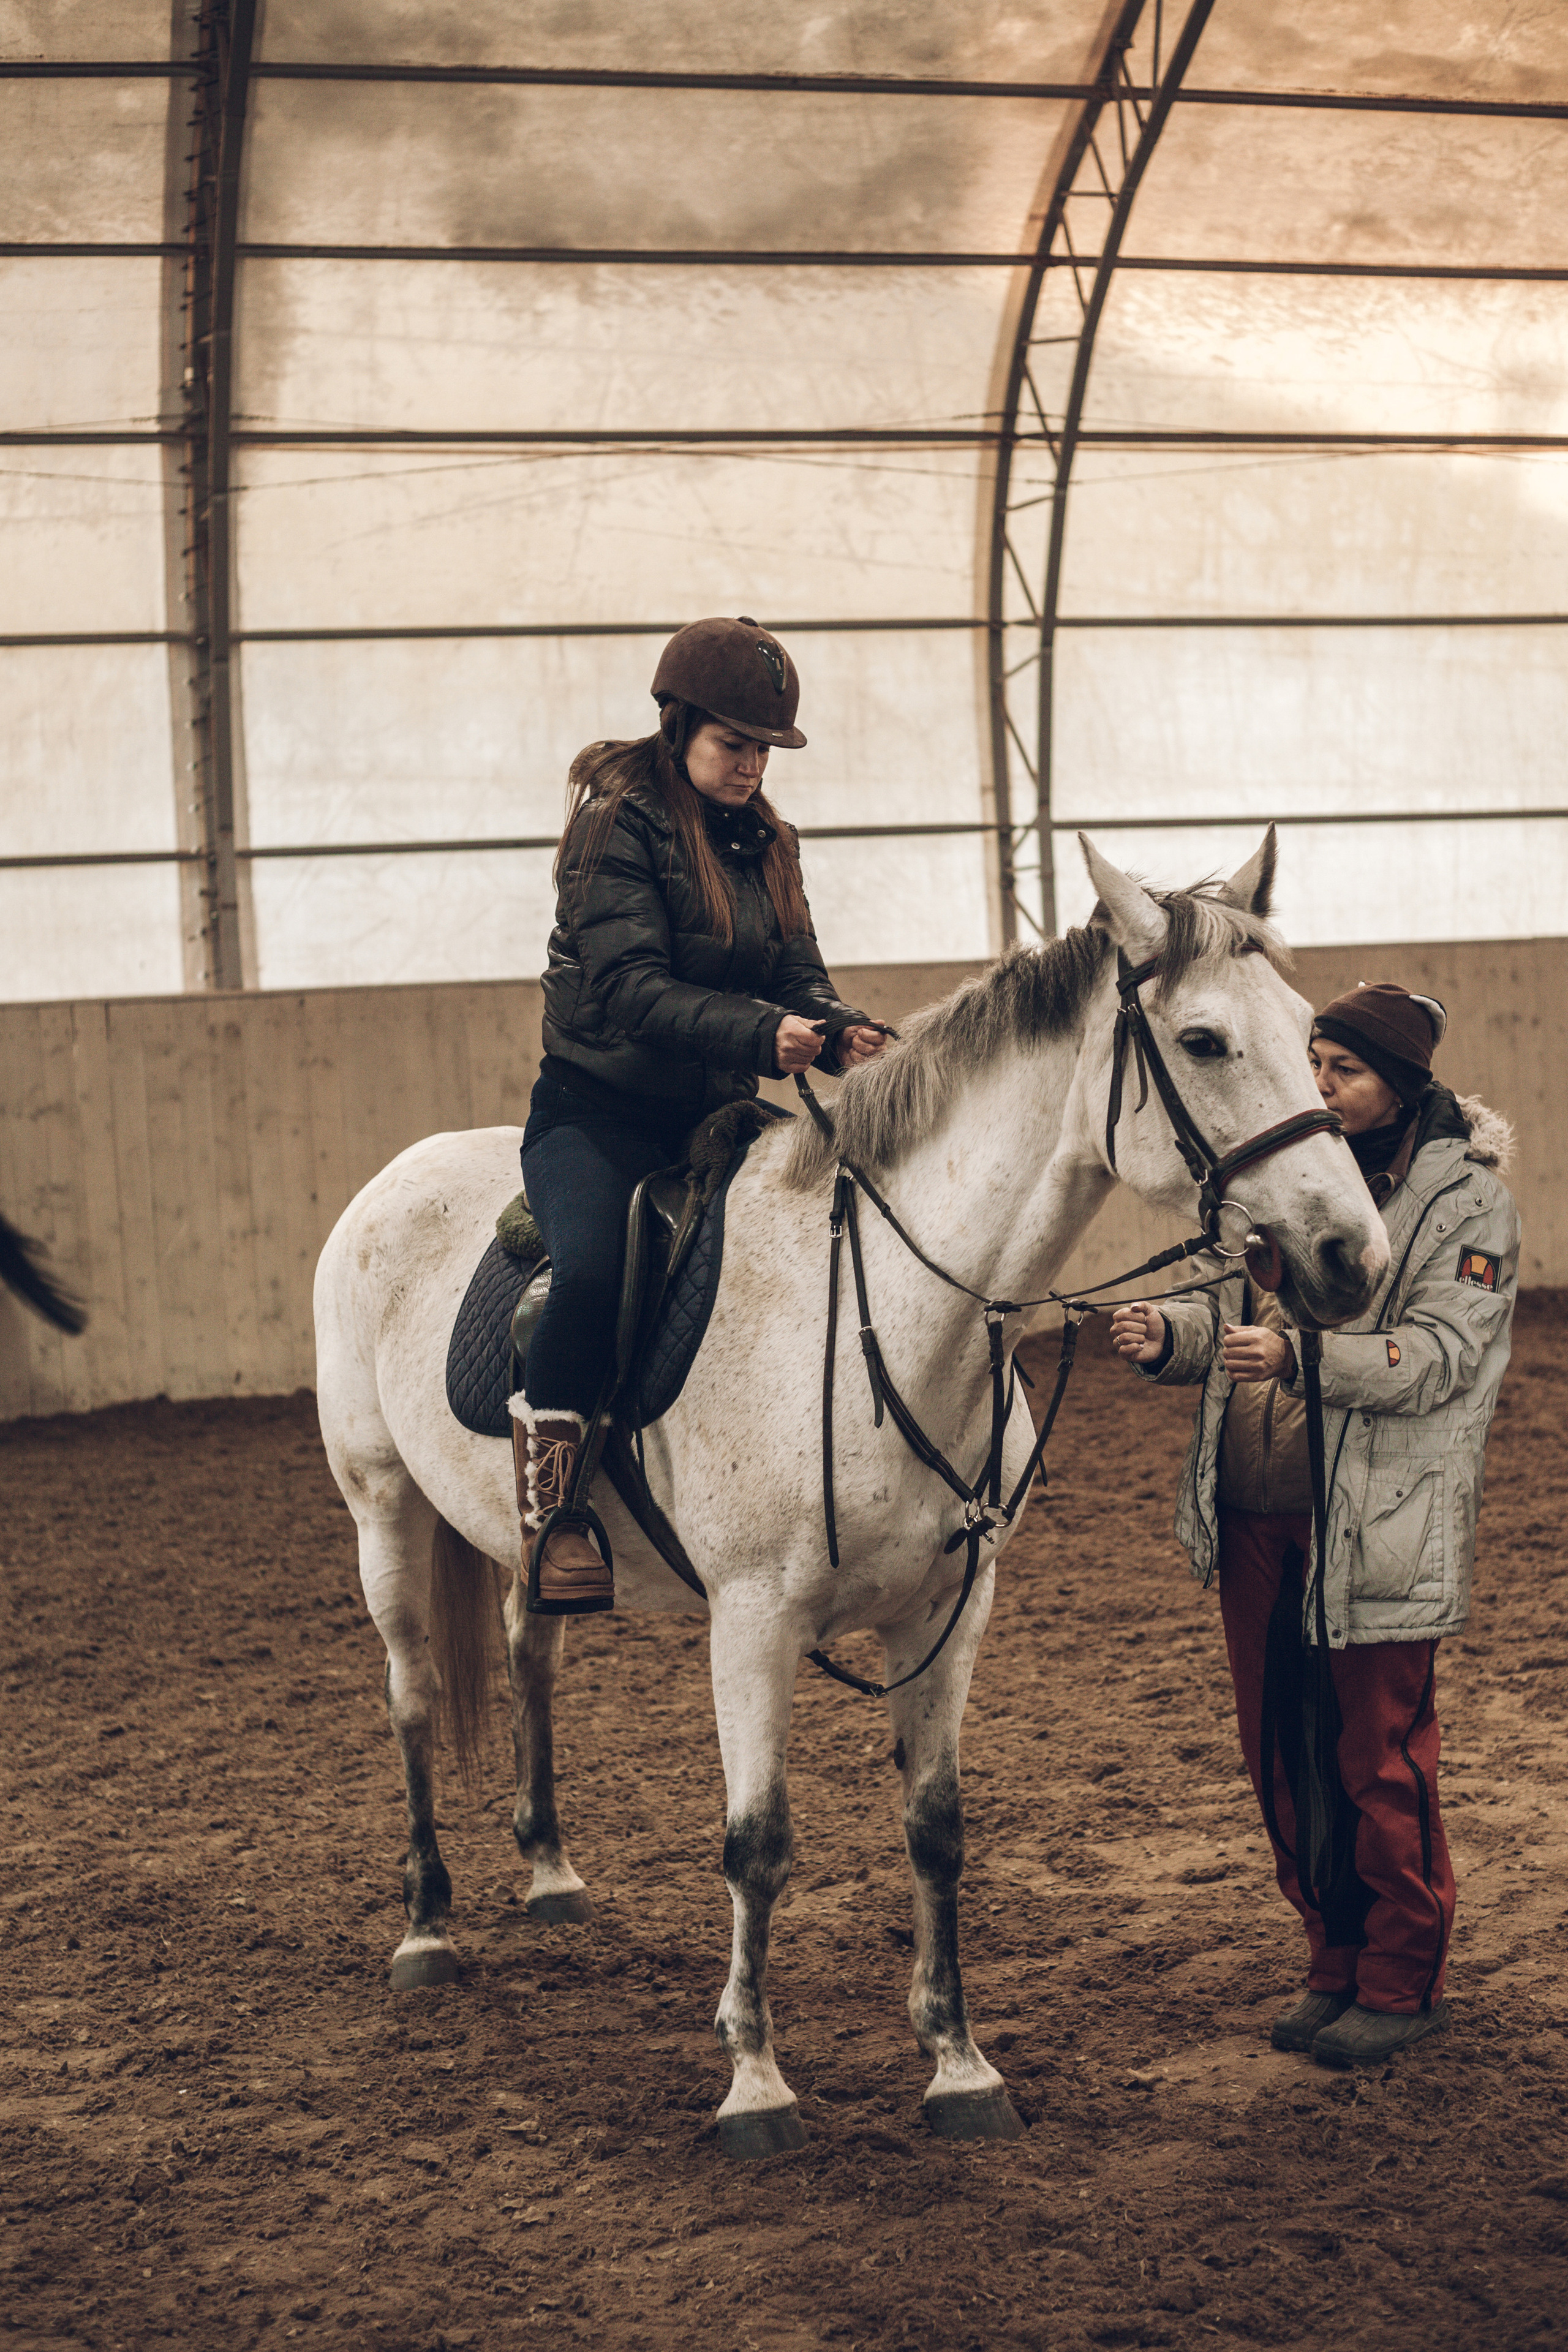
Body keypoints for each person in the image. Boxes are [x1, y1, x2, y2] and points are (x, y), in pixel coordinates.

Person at [1110, 982, 1518, 2067]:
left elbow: (1444, 1354)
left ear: (1402, 1083)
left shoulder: (1463, 1201)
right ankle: (1332, 1956)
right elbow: (1236, 1305)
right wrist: (1173, 1335)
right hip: (1255, 1511)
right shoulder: (1285, 1172)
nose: (1323, 1085)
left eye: (1344, 1068)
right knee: (1281, 1754)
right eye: (1317, 1063)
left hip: (1374, 1520)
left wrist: (1307, 1360)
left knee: (1376, 1757)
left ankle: (1402, 1973)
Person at [514, 617, 888, 1613]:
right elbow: (631, 987)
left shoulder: (771, 840)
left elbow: (800, 971)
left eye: (764, 748)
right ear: (678, 727)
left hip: (714, 1115)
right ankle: (552, 1515)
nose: (752, 765)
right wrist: (763, 1033)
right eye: (735, 744)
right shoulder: (614, 824)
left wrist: (843, 1029)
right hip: (598, 1115)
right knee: (590, 1273)